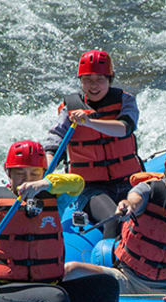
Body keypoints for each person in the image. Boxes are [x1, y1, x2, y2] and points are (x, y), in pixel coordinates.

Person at [0, 140, 119, 302]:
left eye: (34, 173)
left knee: (107, 286)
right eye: (20, 173)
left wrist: (45, 184)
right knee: (56, 299)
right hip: (3, 290)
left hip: (47, 284)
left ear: (43, 174)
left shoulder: (55, 199)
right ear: (8, 173)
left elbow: (78, 183)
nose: (27, 179)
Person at [64, 139, 166, 302]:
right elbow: (134, 199)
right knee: (70, 270)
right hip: (127, 279)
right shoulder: (148, 190)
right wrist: (126, 206)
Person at [43, 49, 141, 239]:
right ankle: (110, 265)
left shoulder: (125, 100)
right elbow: (54, 143)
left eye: (100, 80)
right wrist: (44, 173)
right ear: (80, 81)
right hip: (89, 187)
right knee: (114, 218)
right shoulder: (69, 109)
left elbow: (124, 128)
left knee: (146, 219)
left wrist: (89, 122)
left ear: (109, 79)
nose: (93, 85)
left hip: (128, 181)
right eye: (87, 80)